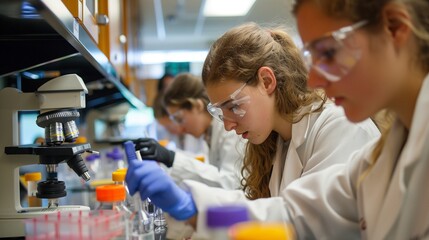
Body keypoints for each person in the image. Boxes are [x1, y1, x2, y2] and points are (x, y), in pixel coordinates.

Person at [126, 22, 381, 238]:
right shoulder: (278, 141)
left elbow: (304, 223)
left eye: (233, 106)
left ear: (267, 81)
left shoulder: (339, 127)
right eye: (220, 112)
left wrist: (194, 208)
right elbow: (271, 214)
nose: (227, 124)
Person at [134, 73, 246, 190]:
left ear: (197, 106)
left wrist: (171, 158)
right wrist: (167, 157)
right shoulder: (209, 133)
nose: (180, 129)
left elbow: (231, 184)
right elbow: (208, 169)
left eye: (180, 119)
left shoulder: (229, 130)